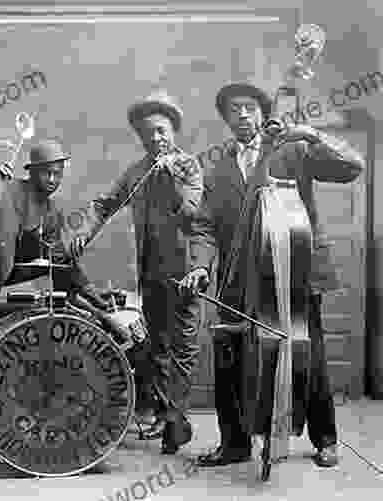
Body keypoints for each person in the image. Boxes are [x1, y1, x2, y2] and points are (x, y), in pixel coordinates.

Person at [196, 82, 364, 468]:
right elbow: (205, 227)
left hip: (295, 270)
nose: (243, 115)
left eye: (250, 108)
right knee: (229, 353)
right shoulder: (218, 168)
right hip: (240, 277)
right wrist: (201, 266)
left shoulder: (294, 150)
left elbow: (352, 167)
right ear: (225, 118)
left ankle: (325, 439)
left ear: (262, 112)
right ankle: (234, 443)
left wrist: (312, 133)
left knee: (310, 353)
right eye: (235, 109)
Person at [71, 90, 214, 454]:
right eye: (148, 133)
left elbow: (193, 217)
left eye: (162, 131)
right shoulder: (136, 172)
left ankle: (176, 423)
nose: (155, 138)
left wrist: (175, 181)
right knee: (158, 350)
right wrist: (81, 233)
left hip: (184, 277)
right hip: (150, 275)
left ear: (173, 131)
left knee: (181, 349)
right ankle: (169, 417)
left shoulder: (190, 168)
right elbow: (104, 204)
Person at [0, 139, 109, 433]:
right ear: (33, 172)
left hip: (9, 284)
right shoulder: (9, 188)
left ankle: (0, 406)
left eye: (57, 173)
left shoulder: (52, 212)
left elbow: (57, 256)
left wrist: (88, 289)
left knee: (14, 341)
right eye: (45, 173)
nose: (51, 180)